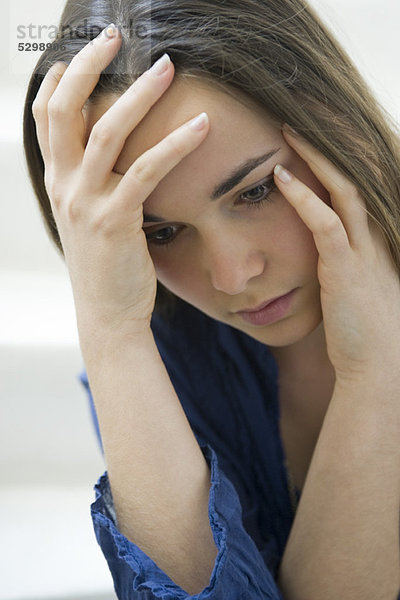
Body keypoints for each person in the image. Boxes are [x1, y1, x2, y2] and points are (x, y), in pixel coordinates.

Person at [23, 0, 400, 598]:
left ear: (337, 124)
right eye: (161, 233)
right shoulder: (157, 366)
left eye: (254, 192)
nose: (231, 276)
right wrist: (114, 333)